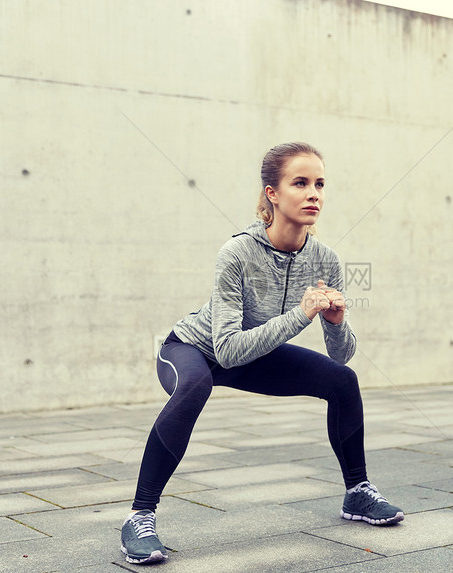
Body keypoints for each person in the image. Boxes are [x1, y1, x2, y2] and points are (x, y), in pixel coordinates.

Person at [120, 142, 404, 564]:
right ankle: (139, 517)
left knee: (342, 381)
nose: (314, 194)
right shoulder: (236, 253)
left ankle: (358, 493)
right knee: (196, 386)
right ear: (272, 193)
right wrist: (300, 314)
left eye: (320, 184)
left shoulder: (325, 260)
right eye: (301, 183)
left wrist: (336, 322)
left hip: (254, 349)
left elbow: (341, 356)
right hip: (195, 347)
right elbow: (229, 349)